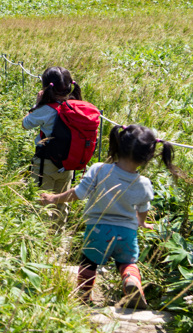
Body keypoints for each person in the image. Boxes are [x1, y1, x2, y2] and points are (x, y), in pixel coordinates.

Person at [40, 124, 177, 307]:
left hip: (98, 229)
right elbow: (143, 208)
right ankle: (131, 280)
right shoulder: (144, 183)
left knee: (89, 263)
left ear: (118, 144)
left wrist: (53, 198)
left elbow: (78, 194)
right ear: (148, 156)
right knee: (127, 263)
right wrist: (141, 223)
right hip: (127, 233)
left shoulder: (99, 170)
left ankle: (83, 297)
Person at [22, 67, 83, 217]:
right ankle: (59, 237)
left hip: (46, 164)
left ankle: (42, 237)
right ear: (70, 87)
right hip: (69, 164)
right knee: (61, 205)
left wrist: (37, 105)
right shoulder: (76, 107)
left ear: (46, 86)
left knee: (42, 204)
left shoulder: (46, 109)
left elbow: (26, 124)